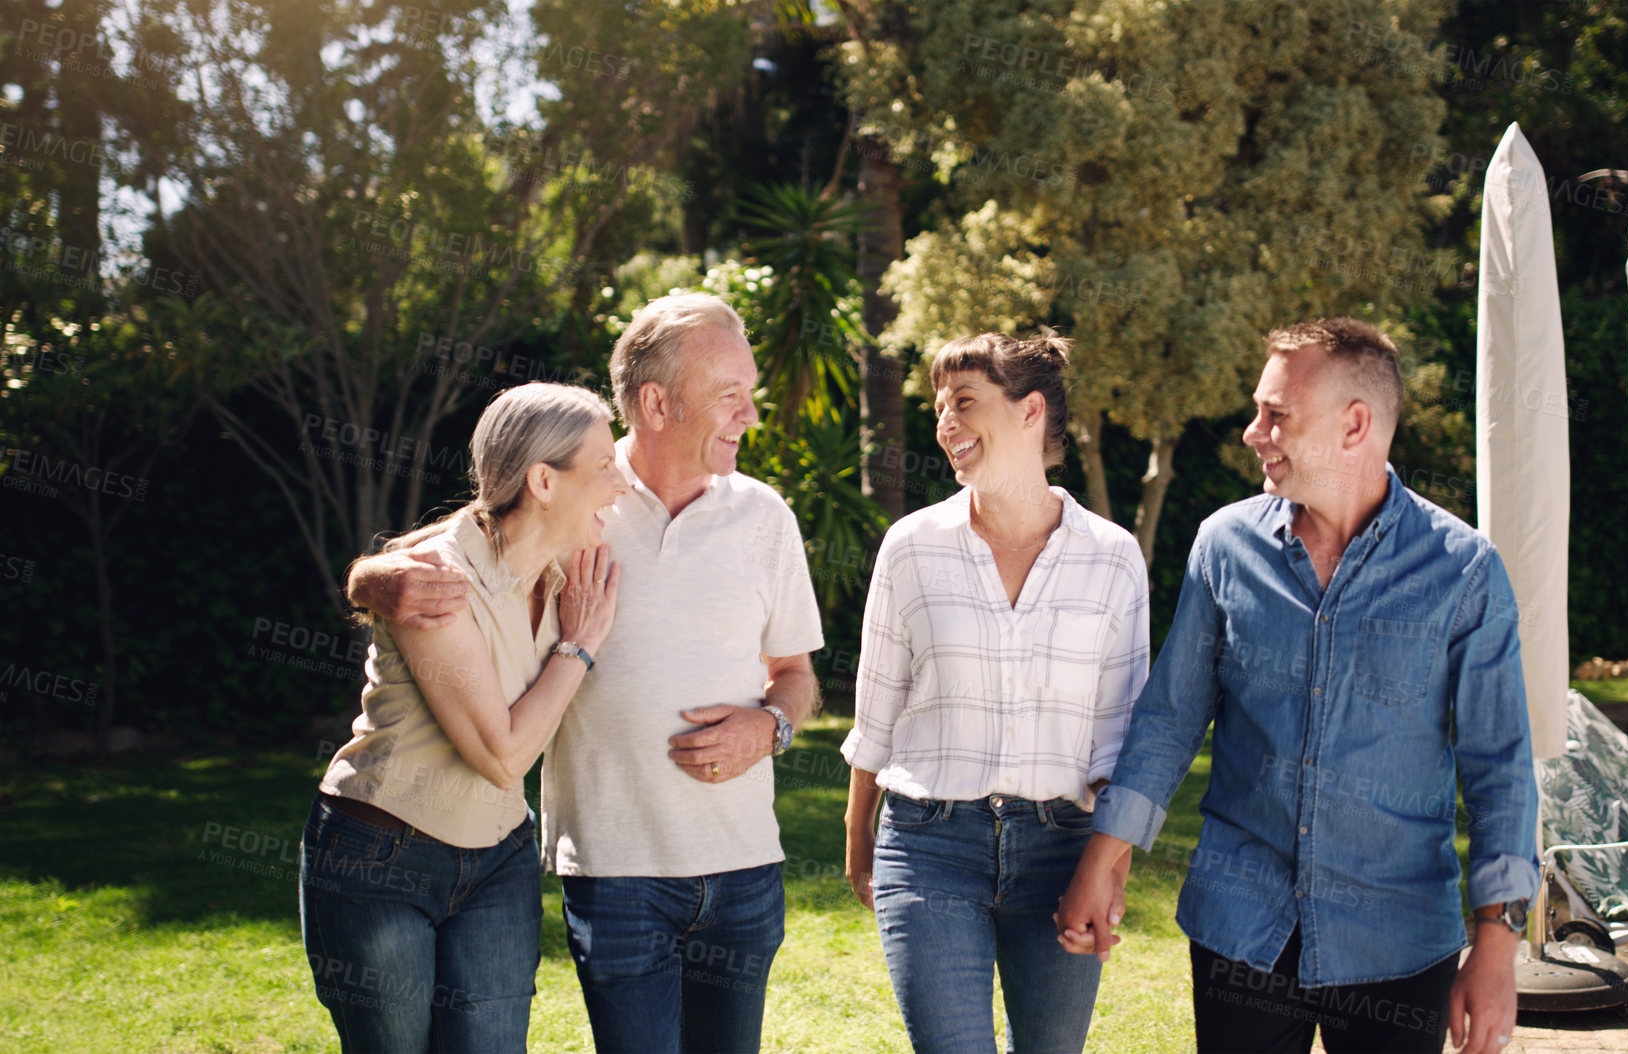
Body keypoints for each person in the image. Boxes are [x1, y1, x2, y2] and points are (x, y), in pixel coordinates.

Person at [347, 293, 824, 1054]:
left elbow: (796, 672)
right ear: (655, 401)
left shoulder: (766, 516)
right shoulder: (580, 496)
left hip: (745, 869)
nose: (751, 416)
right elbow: (466, 536)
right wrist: (372, 578)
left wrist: (772, 726)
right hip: (614, 871)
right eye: (731, 396)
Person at [1055, 318, 1538, 1054]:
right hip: (1240, 927)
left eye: (1275, 414)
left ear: (1354, 425)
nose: (1253, 432)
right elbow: (1169, 719)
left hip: (1398, 941)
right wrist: (1102, 859)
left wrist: (1497, 947)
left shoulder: (1463, 572)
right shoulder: (1224, 546)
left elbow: (1498, 770)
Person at [842, 333, 1150, 1053]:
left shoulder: (1111, 557)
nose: (944, 423)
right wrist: (859, 840)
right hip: (929, 845)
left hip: (1063, 851)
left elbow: (1120, 737)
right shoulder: (912, 546)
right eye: (938, 407)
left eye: (964, 403)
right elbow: (877, 703)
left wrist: (1107, 873)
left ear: (1029, 411)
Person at [302, 381, 626, 1052]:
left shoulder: (565, 559)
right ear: (542, 480)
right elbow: (503, 756)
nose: (619, 483)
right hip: (378, 858)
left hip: (498, 860)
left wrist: (365, 573)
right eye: (603, 465)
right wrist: (578, 648)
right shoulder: (434, 584)